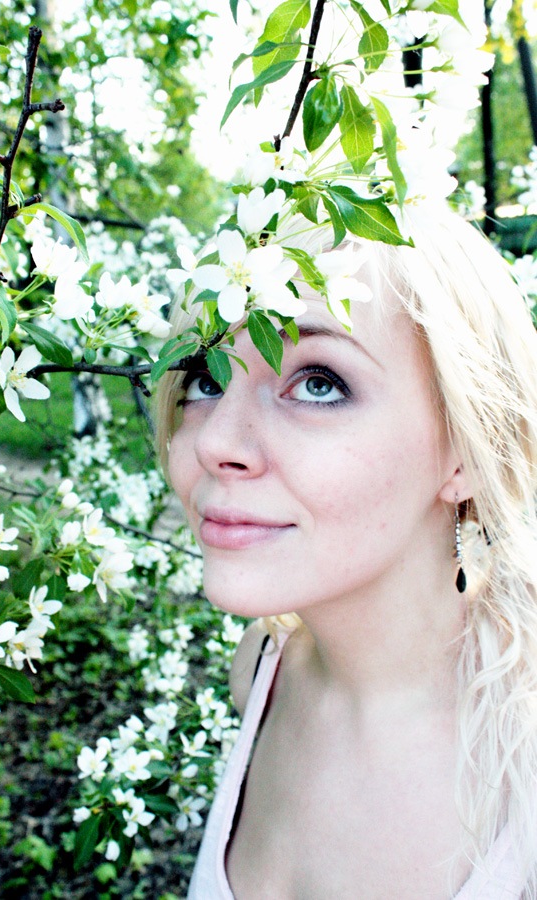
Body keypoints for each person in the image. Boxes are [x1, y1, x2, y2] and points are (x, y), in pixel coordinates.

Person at [156, 206, 537, 899]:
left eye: (318, 384)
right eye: (205, 379)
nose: (213, 442)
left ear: (465, 448)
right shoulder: (262, 672)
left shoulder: (523, 770)